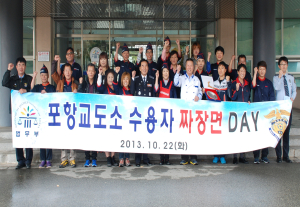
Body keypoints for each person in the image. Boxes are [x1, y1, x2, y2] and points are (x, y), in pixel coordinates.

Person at [2, 57, 33, 169]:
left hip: (28, 113)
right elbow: (4, 83)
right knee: (18, 135)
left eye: (23, 65)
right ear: (16, 66)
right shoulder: (13, 79)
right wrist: (8, 71)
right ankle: (20, 160)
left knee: (28, 135)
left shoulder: (29, 79)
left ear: (25, 66)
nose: (21, 67)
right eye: (19, 65)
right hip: (17, 113)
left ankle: (29, 160)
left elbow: (34, 92)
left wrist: (27, 91)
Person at [174, 58, 202, 165]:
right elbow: (176, 83)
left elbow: (200, 92)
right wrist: (177, 71)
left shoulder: (197, 80)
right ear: (186, 67)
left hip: (194, 111)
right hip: (184, 111)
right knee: (184, 134)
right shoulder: (181, 78)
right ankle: (184, 158)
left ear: (194, 67)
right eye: (188, 65)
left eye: (191, 65)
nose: (189, 67)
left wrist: (198, 97)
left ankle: (193, 157)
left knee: (193, 134)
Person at [131, 59, 158, 167]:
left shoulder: (151, 79)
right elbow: (132, 91)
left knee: (146, 135)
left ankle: (145, 158)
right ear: (139, 68)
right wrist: (132, 78)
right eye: (142, 66)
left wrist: (156, 78)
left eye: (146, 66)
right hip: (138, 112)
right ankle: (137, 159)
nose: (144, 68)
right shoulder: (136, 79)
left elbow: (155, 91)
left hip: (148, 112)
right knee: (138, 135)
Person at [205, 61, 231, 164]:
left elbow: (229, 96)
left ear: (225, 70)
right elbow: (210, 97)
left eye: (222, 68)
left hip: (224, 112)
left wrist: (228, 83)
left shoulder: (228, 81)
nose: (220, 70)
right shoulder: (213, 83)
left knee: (223, 135)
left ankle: (222, 156)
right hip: (215, 112)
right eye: (219, 68)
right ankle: (216, 155)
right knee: (215, 134)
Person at [52, 63, 78, 168]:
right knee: (63, 136)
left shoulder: (75, 83)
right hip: (62, 113)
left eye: (69, 70)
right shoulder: (60, 82)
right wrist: (55, 62)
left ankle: (72, 158)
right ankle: (64, 159)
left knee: (71, 136)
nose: (67, 72)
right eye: (65, 70)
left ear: (72, 72)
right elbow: (53, 73)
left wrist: (77, 91)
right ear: (63, 72)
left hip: (72, 113)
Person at [30, 65, 56, 168]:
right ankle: (42, 159)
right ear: (40, 76)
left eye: (45, 75)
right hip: (40, 116)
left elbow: (55, 98)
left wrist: (47, 94)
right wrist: (33, 77)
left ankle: (49, 159)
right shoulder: (37, 87)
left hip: (49, 115)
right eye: (42, 75)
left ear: (48, 76)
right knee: (41, 138)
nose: (44, 77)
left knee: (48, 138)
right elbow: (31, 91)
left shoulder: (52, 87)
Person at [273, 56, 297, 163]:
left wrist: (292, 98)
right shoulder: (275, 77)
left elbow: (294, 91)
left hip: (288, 108)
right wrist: (279, 77)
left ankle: (286, 156)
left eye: (285, 64)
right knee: (279, 132)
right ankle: (278, 156)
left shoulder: (291, 78)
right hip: (279, 109)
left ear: (287, 66)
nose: (283, 66)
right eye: (281, 64)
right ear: (279, 66)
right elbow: (277, 88)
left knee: (287, 132)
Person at [251, 61, 275, 164]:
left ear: (265, 70)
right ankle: (256, 156)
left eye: (263, 69)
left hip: (266, 113)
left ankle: (264, 156)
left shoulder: (269, 83)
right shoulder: (256, 80)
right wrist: (255, 74)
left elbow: (272, 97)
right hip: (256, 113)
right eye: (260, 69)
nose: (261, 71)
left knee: (265, 134)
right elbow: (252, 86)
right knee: (256, 134)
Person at [97, 68, 119, 167]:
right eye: (109, 77)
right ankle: (108, 158)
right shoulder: (104, 88)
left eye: (112, 77)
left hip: (115, 116)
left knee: (114, 137)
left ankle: (113, 156)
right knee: (107, 137)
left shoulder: (117, 88)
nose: (110, 79)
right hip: (106, 116)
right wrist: (99, 75)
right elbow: (98, 86)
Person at [155, 62, 177, 165]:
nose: (165, 73)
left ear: (169, 73)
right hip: (160, 114)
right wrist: (156, 78)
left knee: (167, 136)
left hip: (169, 114)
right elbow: (155, 90)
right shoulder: (159, 83)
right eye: (164, 71)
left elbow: (176, 99)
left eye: (167, 71)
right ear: (162, 73)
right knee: (160, 136)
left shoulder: (172, 84)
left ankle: (167, 158)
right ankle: (161, 158)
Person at [78, 63, 99, 167]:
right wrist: (80, 84)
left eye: (92, 70)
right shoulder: (84, 83)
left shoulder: (97, 83)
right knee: (86, 136)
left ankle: (94, 159)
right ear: (87, 72)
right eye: (89, 70)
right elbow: (79, 94)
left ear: (95, 72)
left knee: (94, 136)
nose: (91, 72)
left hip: (95, 112)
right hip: (85, 113)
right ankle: (87, 159)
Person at [231, 64, 251, 164]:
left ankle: (242, 157)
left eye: (244, 71)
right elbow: (232, 97)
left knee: (243, 135)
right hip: (236, 113)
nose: (242, 73)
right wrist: (236, 89)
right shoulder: (234, 83)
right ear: (238, 72)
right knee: (236, 136)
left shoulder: (247, 84)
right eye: (241, 71)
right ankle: (235, 157)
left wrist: (249, 101)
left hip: (245, 114)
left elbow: (248, 97)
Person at [118, 72, 132, 167]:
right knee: (121, 138)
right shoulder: (120, 90)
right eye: (124, 79)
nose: (125, 81)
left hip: (130, 118)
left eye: (127, 79)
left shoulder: (131, 91)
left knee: (128, 138)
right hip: (121, 118)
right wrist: (117, 73)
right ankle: (121, 158)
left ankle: (127, 157)